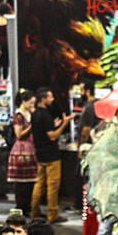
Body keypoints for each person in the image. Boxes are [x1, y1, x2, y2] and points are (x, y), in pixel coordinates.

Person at [31, 88, 74, 222]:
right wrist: (65, 123)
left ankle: (34, 212)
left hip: (40, 154)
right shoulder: (46, 116)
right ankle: (52, 214)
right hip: (51, 155)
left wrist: (54, 125)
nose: (53, 99)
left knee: (39, 184)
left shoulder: (35, 114)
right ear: (43, 99)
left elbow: (43, 131)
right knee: (53, 186)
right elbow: (53, 136)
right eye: (50, 97)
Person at [8, 89, 38, 213]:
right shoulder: (19, 115)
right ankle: (21, 206)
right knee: (21, 182)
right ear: (23, 101)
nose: (32, 105)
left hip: (31, 148)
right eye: (30, 103)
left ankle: (28, 205)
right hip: (22, 149)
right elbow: (19, 134)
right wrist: (31, 126)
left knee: (30, 181)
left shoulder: (29, 113)